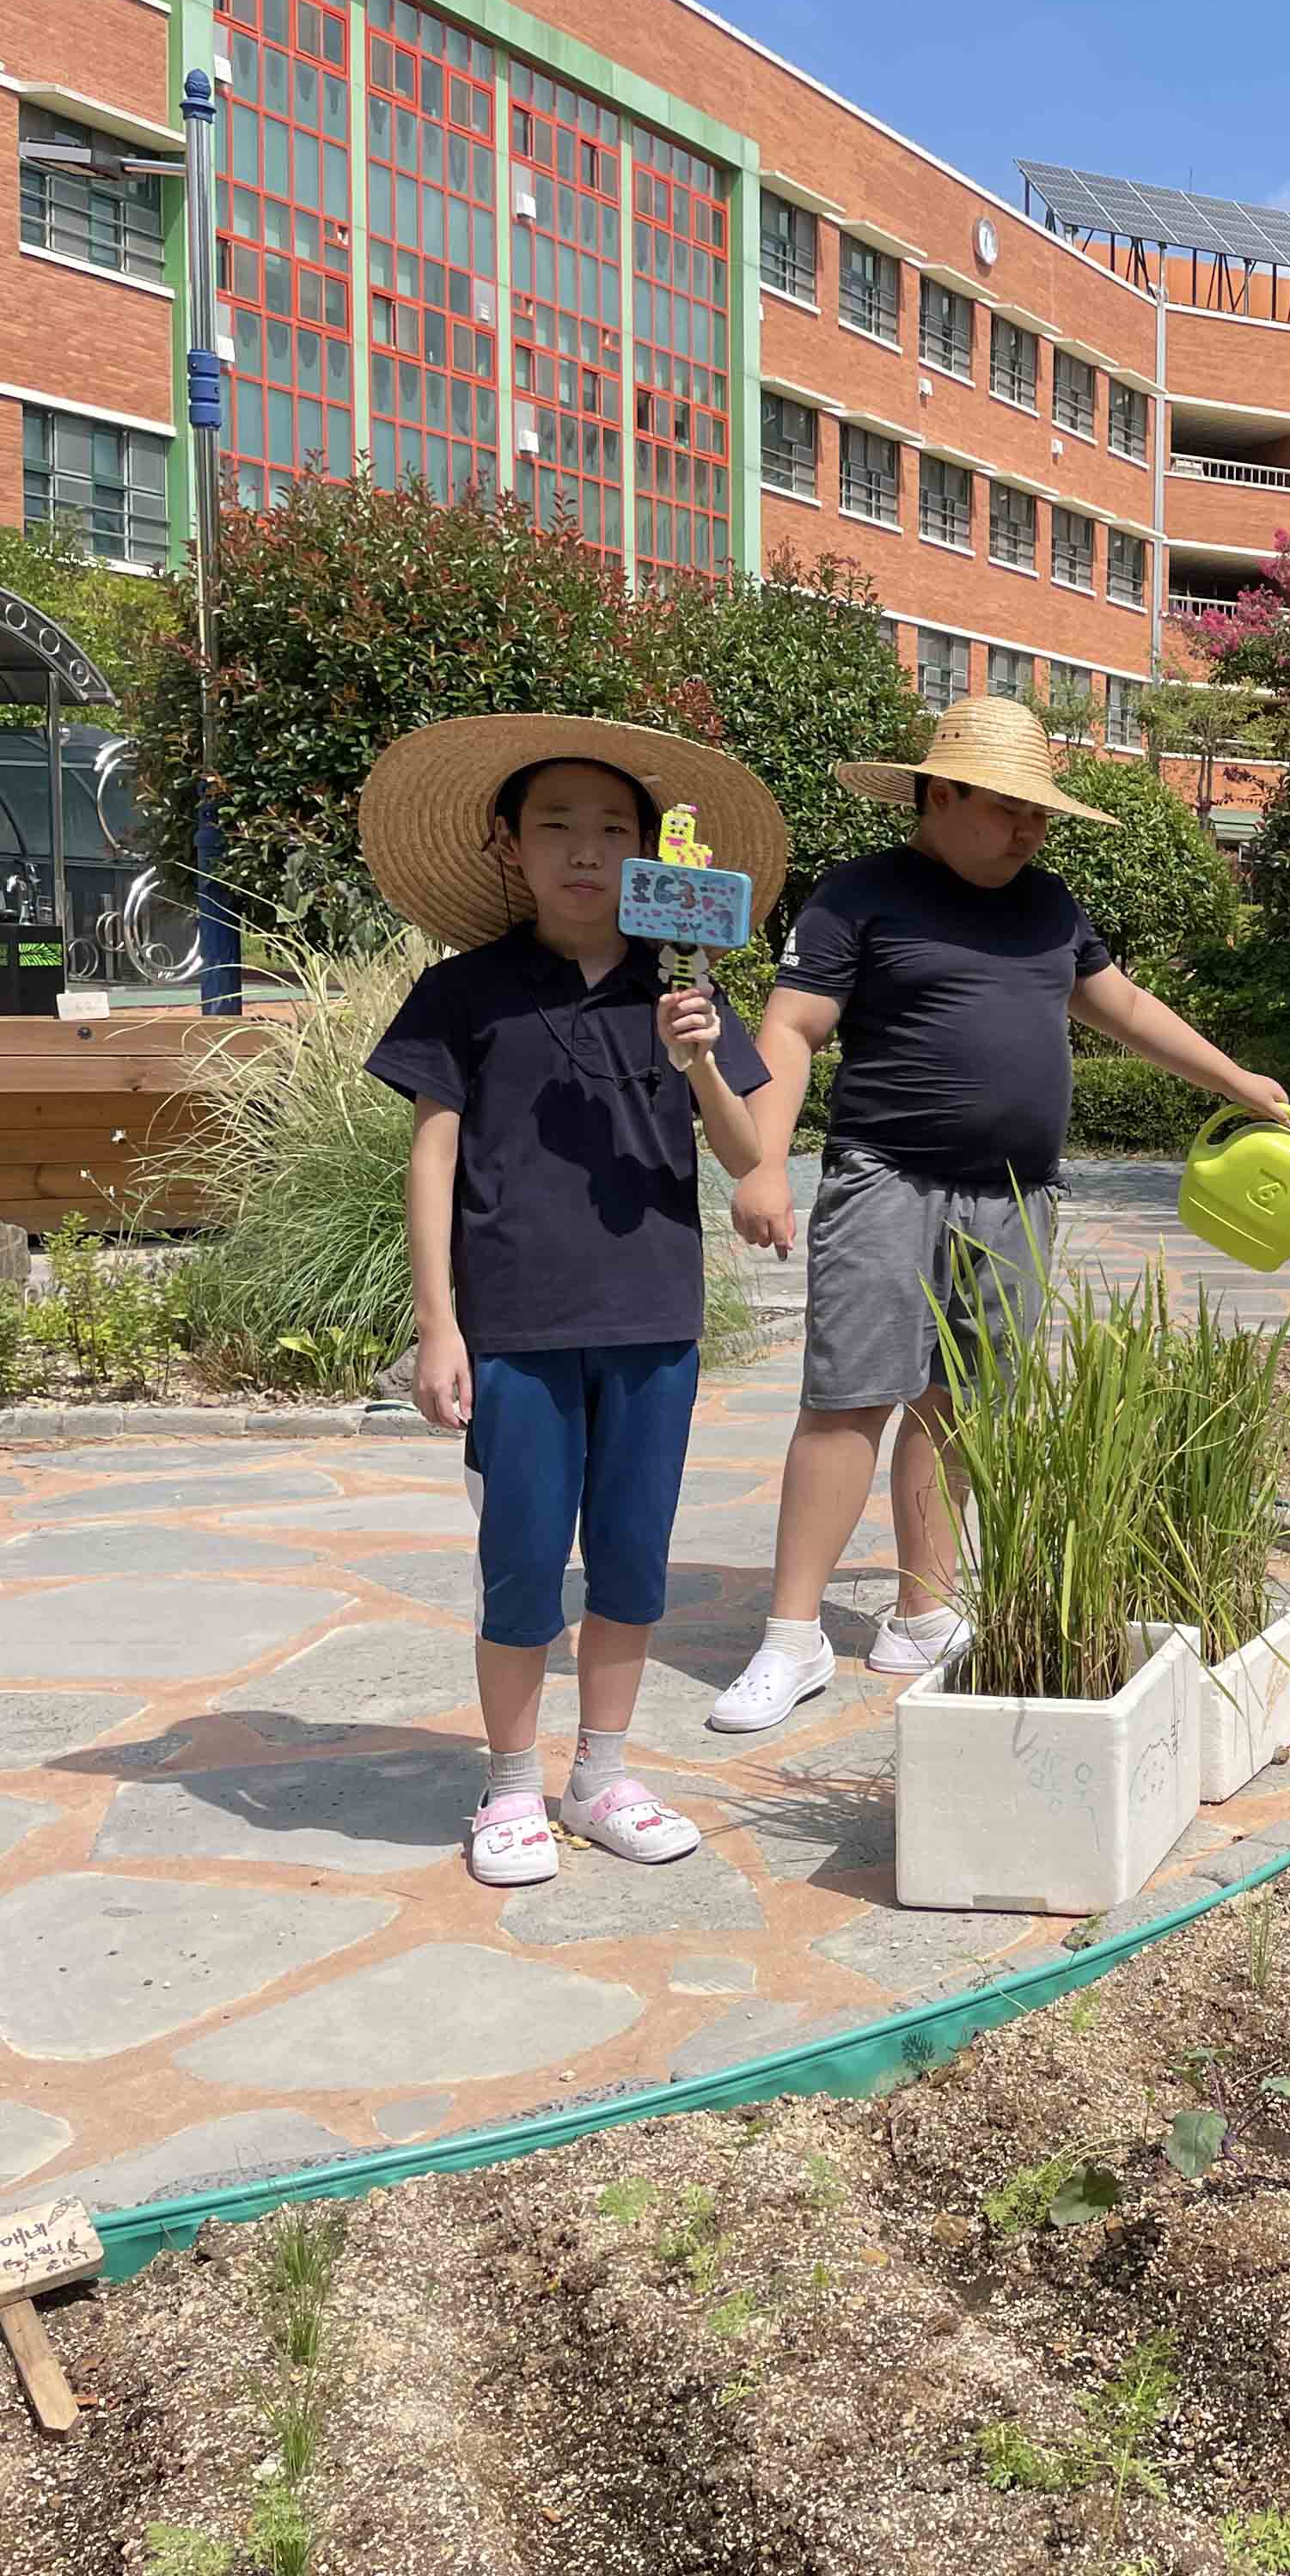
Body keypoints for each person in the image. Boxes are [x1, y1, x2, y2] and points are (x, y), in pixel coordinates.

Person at [711, 699, 1289, 1732]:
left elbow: (1125, 1009)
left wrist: (1237, 1081)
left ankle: (922, 1616)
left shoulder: (1051, 906)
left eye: (1040, 814)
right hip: (887, 1180)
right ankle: (791, 1637)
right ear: (940, 795)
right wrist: (762, 1166)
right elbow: (791, 1027)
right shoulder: (862, 895)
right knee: (850, 1397)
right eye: (1008, 809)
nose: (1028, 830)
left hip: (1017, 1196)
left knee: (963, 1404)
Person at [361, 716, 786, 1888]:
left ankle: (600, 1775)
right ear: (508, 846)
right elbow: (433, 1157)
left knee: (636, 1561)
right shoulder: (465, 995)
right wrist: (440, 1324)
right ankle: (509, 1784)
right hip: (518, 1325)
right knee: (523, 1559)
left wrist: (698, 1055)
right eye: (557, 827)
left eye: (612, 832)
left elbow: (750, 1152)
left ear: (654, 857)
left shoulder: (683, 986)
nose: (584, 853)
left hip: (654, 1317)